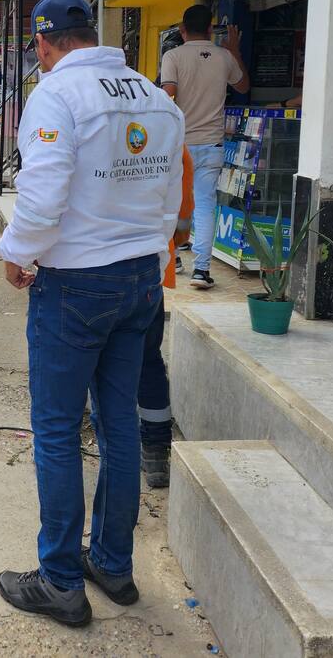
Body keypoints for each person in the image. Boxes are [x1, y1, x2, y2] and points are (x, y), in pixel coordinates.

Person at [0, 0, 184, 628]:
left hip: (77, 282)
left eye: (38, 48)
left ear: (45, 43)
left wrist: (17, 252)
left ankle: (59, 582)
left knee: (54, 430)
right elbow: (170, 198)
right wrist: (153, 257)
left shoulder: (57, 94)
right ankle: (112, 563)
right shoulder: (156, 97)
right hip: (140, 279)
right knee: (118, 424)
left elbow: (43, 192)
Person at [159, 4, 248, 290]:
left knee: (175, 203)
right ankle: (201, 270)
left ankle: (174, 260)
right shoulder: (224, 57)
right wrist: (234, 49)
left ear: (183, 30)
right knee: (205, 206)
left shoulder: (172, 56)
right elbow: (243, 86)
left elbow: (167, 95)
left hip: (180, 145)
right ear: (211, 29)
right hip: (212, 144)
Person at [138, 145, 193, 489]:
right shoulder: (166, 122)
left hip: (88, 266)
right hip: (148, 268)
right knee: (149, 362)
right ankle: (156, 454)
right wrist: (178, 240)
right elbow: (183, 209)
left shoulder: (82, 113)